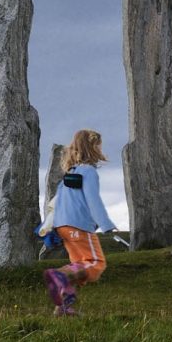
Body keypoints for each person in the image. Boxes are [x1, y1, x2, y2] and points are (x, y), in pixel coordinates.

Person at [42, 128, 117, 316]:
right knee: (95, 263)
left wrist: (52, 228)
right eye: (99, 146)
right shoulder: (89, 172)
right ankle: (59, 275)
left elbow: (56, 202)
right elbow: (93, 200)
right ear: (93, 148)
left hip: (64, 226)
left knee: (77, 267)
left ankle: (63, 309)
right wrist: (106, 224)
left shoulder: (70, 174)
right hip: (80, 225)